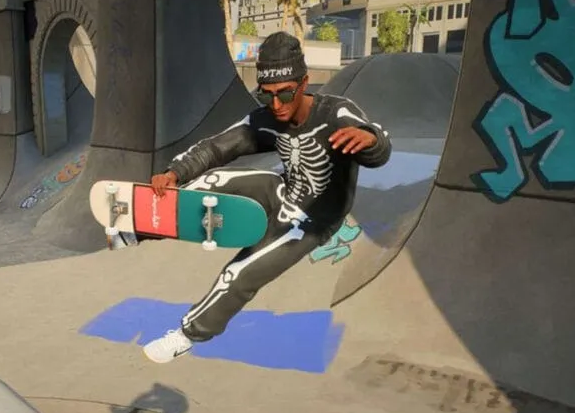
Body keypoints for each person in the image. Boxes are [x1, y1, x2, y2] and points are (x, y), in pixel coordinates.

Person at [142, 31, 392, 363]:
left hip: (313, 221)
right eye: (267, 95)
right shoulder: (267, 118)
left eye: (285, 94)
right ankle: (144, 223)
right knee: (214, 177)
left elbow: (379, 145)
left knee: (240, 273)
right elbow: (218, 146)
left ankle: (187, 334)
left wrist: (371, 141)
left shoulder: (336, 114)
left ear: (303, 83)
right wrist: (175, 172)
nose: (276, 105)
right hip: (281, 190)